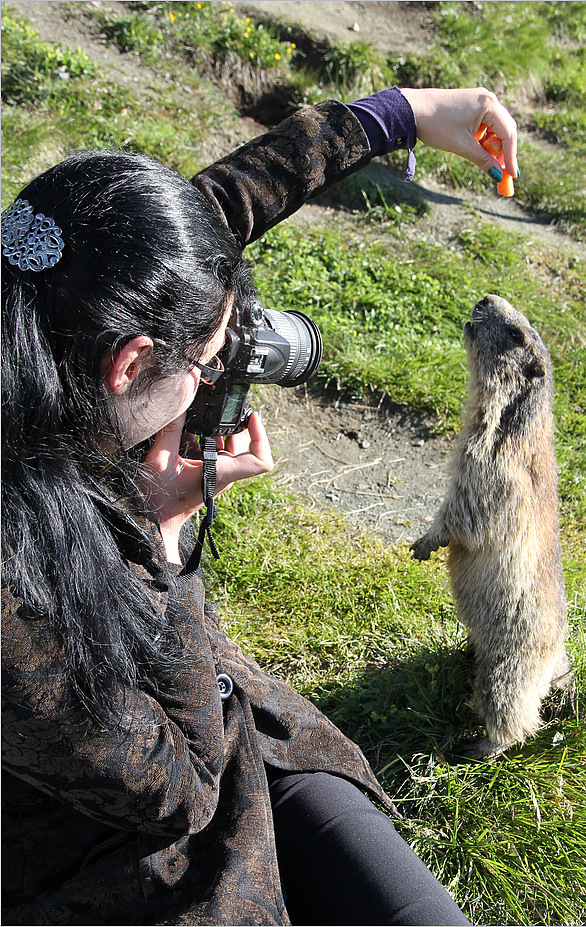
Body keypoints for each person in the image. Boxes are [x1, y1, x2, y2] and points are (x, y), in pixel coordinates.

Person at [2, 86, 518, 926]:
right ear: (130, 365)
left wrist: (404, 114)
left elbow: (206, 221)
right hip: (109, 853)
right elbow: (176, 790)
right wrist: (168, 547)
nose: (211, 380)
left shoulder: (43, 300)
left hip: (240, 730)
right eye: (206, 364)